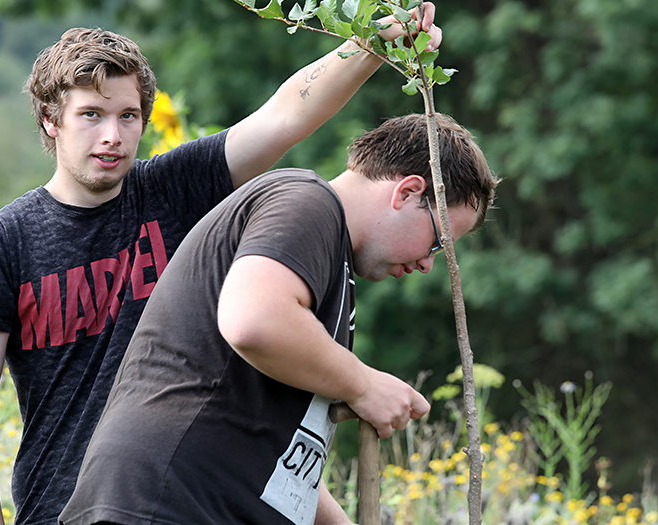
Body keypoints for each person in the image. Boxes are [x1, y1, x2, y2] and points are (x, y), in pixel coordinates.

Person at [0, 9, 444, 525]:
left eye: (129, 116)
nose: (112, 135)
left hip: (183, 496)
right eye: (91, 115)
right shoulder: (3, 240)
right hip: (59, 507)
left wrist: (372, 41)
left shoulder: (175, 189)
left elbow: (285, 116)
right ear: (51, 119)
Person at [58, 113, 499, 525]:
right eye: (439, 242)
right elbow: (253, 320)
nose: (427, 264)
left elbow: (280, 453)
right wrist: (364, 384)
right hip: (162, 504)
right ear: (406, 192)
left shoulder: (328, 271)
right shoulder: (307, 202)